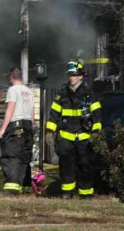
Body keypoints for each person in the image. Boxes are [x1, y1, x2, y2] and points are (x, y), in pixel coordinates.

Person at [46, 60, 102, 199]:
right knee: (66, 164)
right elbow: (54, 113)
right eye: (70, 75)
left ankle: (86, 192)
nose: (72, 77)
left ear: (81, 76)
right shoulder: (62, 93)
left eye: (75, 75)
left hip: (83, 136)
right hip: (66, 135)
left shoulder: (89, 94)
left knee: (85, 164)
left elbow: (97, 115)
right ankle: (67, 191)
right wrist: (49, 131)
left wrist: (95, 133)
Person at [0, 67, 35, 195]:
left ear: (11, 77)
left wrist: (2, 129)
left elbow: (10, 109)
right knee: (24, 158)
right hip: (28, 127)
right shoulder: (29, 91)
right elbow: (32, 112)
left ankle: (11, 188)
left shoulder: (12, 90)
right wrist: (32, 126)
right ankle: (22, 186)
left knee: (11, 156)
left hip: (15, 126)